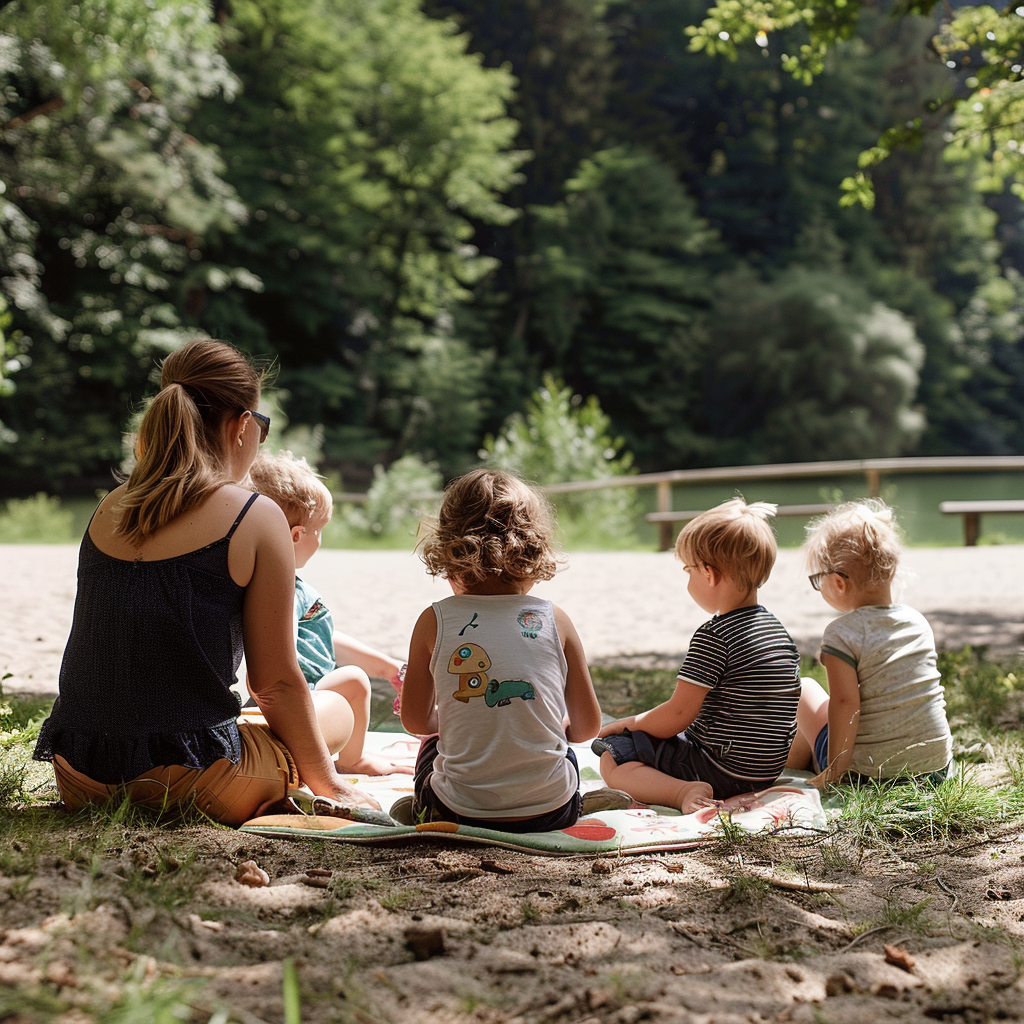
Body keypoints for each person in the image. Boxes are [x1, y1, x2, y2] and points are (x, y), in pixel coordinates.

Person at [32, 339, 378, 826]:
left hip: (80, 776)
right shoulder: (254, 516)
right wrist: (331, 785)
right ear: (241, 426)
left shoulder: (109, 507)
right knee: (336, 707)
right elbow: (275, 684)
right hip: (195, 782)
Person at [398, 468, 604, 832]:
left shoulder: (433, 620)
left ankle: (420, 809)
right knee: (563, 752)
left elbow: (416, 722)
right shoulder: (557, 620)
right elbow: (588, 726)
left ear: (450, 550)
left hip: (457, 812)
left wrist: (453, 720)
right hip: (550, 811)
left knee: (432, 748)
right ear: (532, 550)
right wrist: (551, 729)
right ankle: (580, 801)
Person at [593, 498, 801, 811]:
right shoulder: (776, 630)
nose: (688, 579)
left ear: (708, 573)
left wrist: (629, 723)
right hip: (765, 772)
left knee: (614, 755)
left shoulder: (714, 635)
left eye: (688, 570)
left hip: (721, 770)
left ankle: (683, 792)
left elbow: (677, 716)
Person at [247, 450, 411, 776]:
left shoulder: (277, 585)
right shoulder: (280, 589)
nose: (320, 540)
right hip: (295, 711)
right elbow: (278, 650)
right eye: (318, 530)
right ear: (296, 536)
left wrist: (387, 667)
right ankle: (353, 761)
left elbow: (321, 638)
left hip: (294, 704)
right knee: (354, 681)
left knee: (355, 675)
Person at [786, 500, 953, 788]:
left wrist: (835, 772)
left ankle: (781, 763)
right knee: (821, 716)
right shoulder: (918, 621)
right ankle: (796, 758)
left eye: (818, 581)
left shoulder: (841, 633)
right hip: (934, 771)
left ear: (838, 582)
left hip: (868, 776)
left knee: (806, 690)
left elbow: (845, 703)